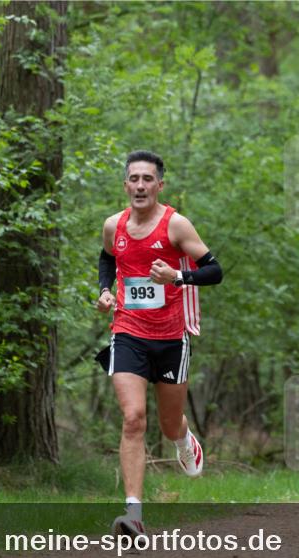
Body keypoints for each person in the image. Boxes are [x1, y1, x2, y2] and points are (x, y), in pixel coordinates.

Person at [94, 150, 223, 537]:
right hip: (128, 332)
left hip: (170, 338)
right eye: (133, 179)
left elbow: (215, 271)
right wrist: (104, 290)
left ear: (159, 185)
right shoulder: (112, 225)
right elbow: (106, 258)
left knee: (168, 425)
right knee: (133, 418)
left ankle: (184, 440)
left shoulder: (176, 226)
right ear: (125, 185)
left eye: (147, 179)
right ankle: (133, 514)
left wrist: (177, 278)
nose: (140, 185)